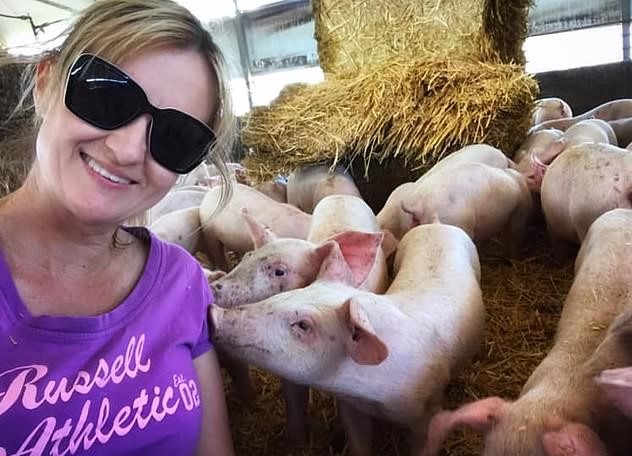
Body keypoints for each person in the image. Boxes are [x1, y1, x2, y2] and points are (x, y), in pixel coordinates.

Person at [0, 1, 236, 455]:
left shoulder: (181, 282)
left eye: (175, 137)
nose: (128, 150)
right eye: (107, 98)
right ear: (45, 84)